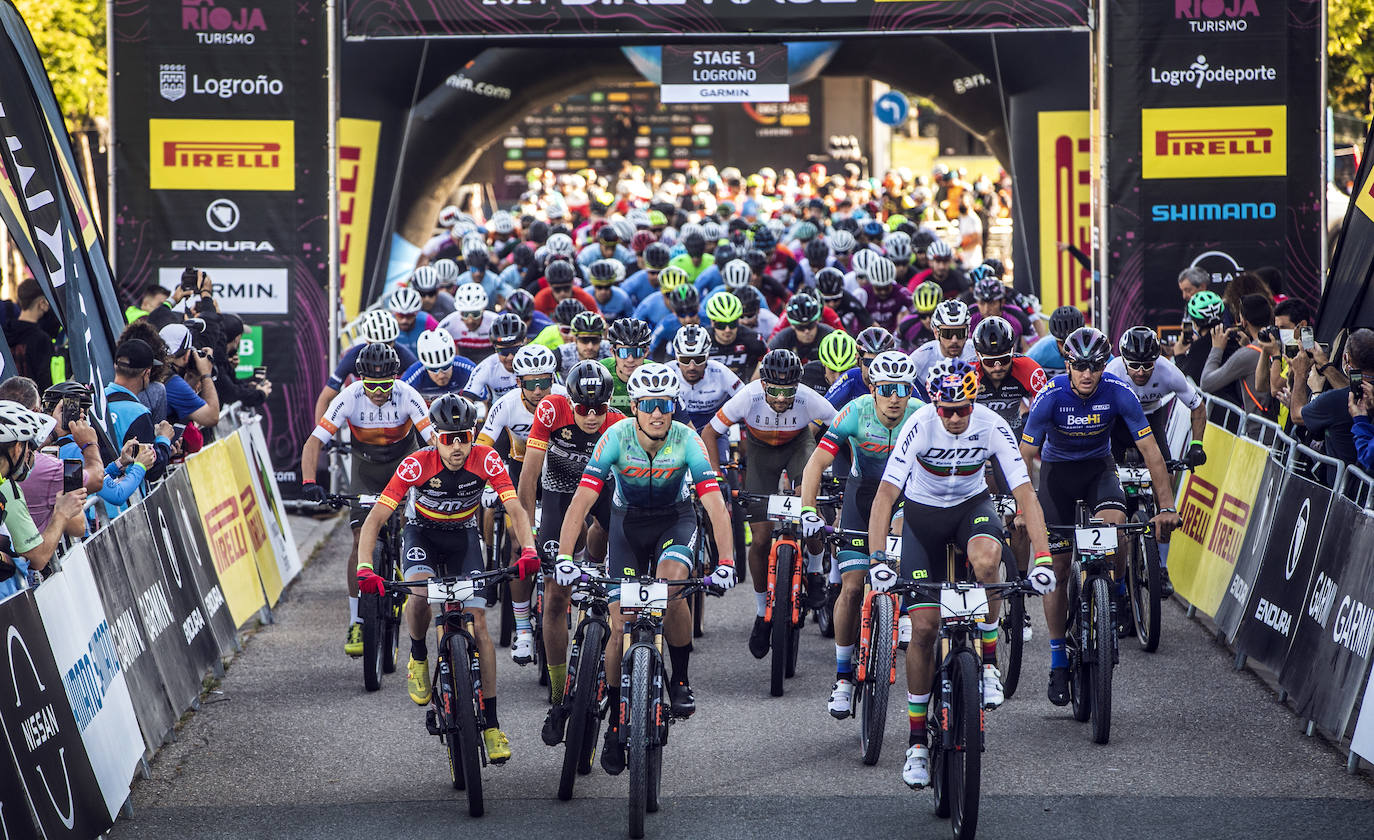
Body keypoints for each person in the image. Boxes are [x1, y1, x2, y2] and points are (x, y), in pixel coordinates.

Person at [869, 358, 1055, 788]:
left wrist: (1042, 557)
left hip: (972, 508)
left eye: (963, 408)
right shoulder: (920, 424)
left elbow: (1025, 492)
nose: (954, 418)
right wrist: (879, 557)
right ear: (935, 405)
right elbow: (884, 496)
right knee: (925, 629)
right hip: (923, 520)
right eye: (946, 409)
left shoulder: (990, 424)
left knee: (989, 563)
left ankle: (988, 662)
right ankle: (917, 742)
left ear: (973, 403)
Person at [553, 363, 737, 774]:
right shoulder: (614, 437)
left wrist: (726, 561)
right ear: (634, 406)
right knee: (621, 625)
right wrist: (566, 557)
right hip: (628, 526)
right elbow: (581, 502)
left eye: (666, 405)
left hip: (675, 520)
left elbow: (714, 506)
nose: (658, 413)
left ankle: (681, 679)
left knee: (671, 589)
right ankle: (619, 714)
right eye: (649, 405)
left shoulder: (688, 439)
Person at [355, 394, 539, 764]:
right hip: (421, 534)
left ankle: (490, 724)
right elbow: (375, 520)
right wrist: (365, 568)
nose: (456, 446)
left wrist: (529, 549)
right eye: (447, 438)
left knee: (480, 623)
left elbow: (515, 508)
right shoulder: (415, 464)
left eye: (463, 437)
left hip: (463, 537)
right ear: (434, 437)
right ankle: (419, 655)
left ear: (472, 435)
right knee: (421, 594)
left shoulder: (486, 459)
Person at [1018, 327, 1181, 708]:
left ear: (1105, 366)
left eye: (1094, 366)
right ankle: (1058, 659)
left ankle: (1117, 593)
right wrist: (1026, 510)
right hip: (1057, 478)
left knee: (1116, 534)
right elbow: (1023, 458)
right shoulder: (1050, 396)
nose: (1087, 374)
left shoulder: (1119, 392)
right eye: (1079, 366)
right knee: (1057, 570)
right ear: (1068, 365)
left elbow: (1151, 452)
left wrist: (1168, 506)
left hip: (1099, 472)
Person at [798, 351, 922, 718]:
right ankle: (842, 677)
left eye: (902, 388)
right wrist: (808, 509)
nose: (895, 396)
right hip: (862, 493)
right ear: (873, 388)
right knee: (851, 586)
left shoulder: (921, 413)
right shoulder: (854, 412)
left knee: (900, 556)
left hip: (905, 494)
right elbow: (816, 463)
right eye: (886, 388)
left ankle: (900, 616)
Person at [300, 342, 434, 655]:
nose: (378, 391)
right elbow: (313, 441)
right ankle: (357, 620)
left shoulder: (407, 395)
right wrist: (309, 481)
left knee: (407, 523)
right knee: (360, 538)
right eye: (371, 385)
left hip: (403, 464)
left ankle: (406, 565)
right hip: (366, 468)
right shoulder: (349, 397)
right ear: (360, 380)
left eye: (385, 384)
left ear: (396, 378)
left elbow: (433, 441)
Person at [701, 349, 837, 658]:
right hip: (761, 455)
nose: (780, 398)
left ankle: (815, 574)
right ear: (763, 385)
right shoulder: (748, 396)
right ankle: (762, 613)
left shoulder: (808, 398)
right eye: (773, 391)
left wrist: (846, 468)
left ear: (797, 387)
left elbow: (842, 427)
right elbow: (710, 432)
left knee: (809, 508)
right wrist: (714, 477)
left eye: (787, 391)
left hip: (798, 447)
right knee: (760, 540)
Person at [519, 361, 626, 745]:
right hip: (561, 491)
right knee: (554, 595)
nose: (592, 417)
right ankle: (559, 692)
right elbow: (529, 477)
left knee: (617, 575)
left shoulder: (619, 422)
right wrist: (526, 533)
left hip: (603, 492)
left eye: (599, 409)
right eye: (584, 409)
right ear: (572, 401)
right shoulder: (551, 409)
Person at [476, 344, 565, 664]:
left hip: (557, 475)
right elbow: (483, 446)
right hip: (518, 473)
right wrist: (486, 481)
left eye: (545, 382)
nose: (540, 390)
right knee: (517, 544)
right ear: (518, 383)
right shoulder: (507, 404)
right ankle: (524, 629)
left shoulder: (564, 397)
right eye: (531, 383)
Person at [0, 400, 87, 594]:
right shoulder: (7, 489)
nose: (33, 456)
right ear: (16, 448)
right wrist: (61, 514)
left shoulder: (4, 485)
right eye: (30, 448)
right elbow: (37, 557)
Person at [1288, 329, 1374, 468]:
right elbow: (1349, 389)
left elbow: (1297, 415)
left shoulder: (1334, 401)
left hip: (1345, 485)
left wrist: (1300, 374)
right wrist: (1325, 365)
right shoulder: (1352, 396)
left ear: (1346, 358)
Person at [315, 309, 418, 421]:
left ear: (395, 340)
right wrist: (321, 436)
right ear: (366, 341)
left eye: (388, 344)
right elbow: (325, 398)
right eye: (374, 345)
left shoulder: (404, 355)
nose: (381, 350)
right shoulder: (353, 356)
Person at [105, 338, 175, 484]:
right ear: (146, 373)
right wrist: (164, 440)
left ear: (115, 366)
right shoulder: (138, 413)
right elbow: (152, 469)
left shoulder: (97, 400)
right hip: (125, 501)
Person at [1200, 293, 1273, 414]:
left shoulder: (1246, 355)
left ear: (1243, 322)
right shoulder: (1276, 344)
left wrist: (1217, 349)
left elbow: (1207, 383)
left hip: (1257, 429)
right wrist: (1248, 345)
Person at [157, 323, 222, 428]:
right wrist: (206, 374)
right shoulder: (172, 382)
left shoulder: (154, 370)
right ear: (186, 356)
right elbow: (211, 417)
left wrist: (191, 383)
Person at [910, 299, 978, 394]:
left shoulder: (977, 351)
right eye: (947, 333)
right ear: (936, 333)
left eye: (960, 333)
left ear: (968, 332)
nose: (954, 340)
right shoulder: (920, 357)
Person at [460, 312, 526, 408]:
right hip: (501, 415)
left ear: (524, 343)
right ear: (495, 349)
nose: (510, 357)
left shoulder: (537, 360)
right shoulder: (486, 367)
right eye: (504, 351)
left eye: (515, 350)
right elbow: (466, 402)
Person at [401, 329, 476, 402]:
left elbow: (485, 402)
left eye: (445, 367)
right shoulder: (414, 375)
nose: (441, 375)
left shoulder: (468, 368)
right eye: (434, 369)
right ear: (425, 366)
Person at [7, 278, 55, 390]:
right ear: (41, 303)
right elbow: (45, 381)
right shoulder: (41, 339)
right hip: (32, 403)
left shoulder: (5, 334)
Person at [600, 317, 653, 413]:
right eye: (623, 352)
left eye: (636, 352)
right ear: (613, 352)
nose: (630, 359)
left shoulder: (655, 373)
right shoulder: (601, 372)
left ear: (646, 352)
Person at [439, 283, 499, 363]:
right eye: (465, 314)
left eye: (475, 314)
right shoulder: (448, 324)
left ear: (483, 310)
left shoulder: (496, 322)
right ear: (459, 312)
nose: (470, 320)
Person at [768, 294, 834, 365]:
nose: (806, 331)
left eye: (810, 325)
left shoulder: (830, 336)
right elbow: (765, 364)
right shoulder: (782, 339)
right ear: (792, 325)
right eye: (801, 327)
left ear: (817, 321)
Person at [860, 256, 910, 333]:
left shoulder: (902, 292)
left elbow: (917, 312)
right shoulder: (862, 294)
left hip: (894, 337)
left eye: (886, 288)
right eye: (879, 288)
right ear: (872, 284)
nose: (883, 292)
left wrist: (905, 322)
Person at [1027, 305, 1084, 373]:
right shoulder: (1041, 349)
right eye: (1063, 343)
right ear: (1055, 340)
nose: (1068, 349)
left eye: (1074, 342)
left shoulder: (1090, 345)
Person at [388, 287, 439, 358]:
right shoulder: (387, 325)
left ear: (417, 313)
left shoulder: (428, 321)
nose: (404, 320)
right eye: (400, 316)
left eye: (409, 316)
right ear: (393, 313)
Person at [894, 281, 943, 352]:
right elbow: (896, 346)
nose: (928, 320)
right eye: (923, 316)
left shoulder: (947, 325)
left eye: (932, 315)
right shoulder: (907, 324)